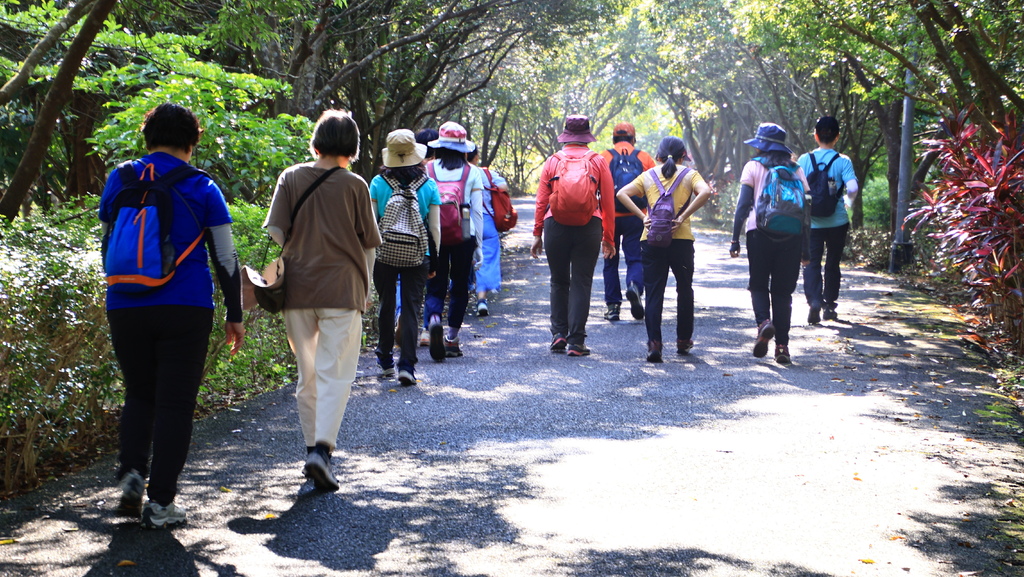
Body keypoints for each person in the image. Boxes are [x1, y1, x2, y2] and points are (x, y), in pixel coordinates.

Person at [100, 102, 245, 529]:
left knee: (139, 393)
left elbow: (107, 239)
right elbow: (225, 256)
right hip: (186, 305)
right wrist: (234, 314)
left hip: (124, 303)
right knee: (175, 404)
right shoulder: (202, 186)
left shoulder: (119, 177)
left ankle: (131, 473)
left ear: (148, 138)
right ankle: (161, 502)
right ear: (192, 142)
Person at [264, 110, 381, 491]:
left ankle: (311, 448)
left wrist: (299, 252)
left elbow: (278, 229)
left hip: (298, 288)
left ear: (316, 142)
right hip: (343, 289)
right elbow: (368, 245)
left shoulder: (291, 177)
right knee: (336, 373)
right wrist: (365, 290)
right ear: (352, 147)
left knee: (308, 373)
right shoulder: (356, 185)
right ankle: (322, 452)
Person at [616, 136, 713, 362]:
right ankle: (683, 340)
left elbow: (621, 193)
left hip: (651, 239)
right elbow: (706, 192)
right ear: (683, 156)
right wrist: (683, 217)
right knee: (684, 289)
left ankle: (654, 345)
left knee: (654, 291)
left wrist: (643, 217)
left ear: (658, 157)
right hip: (681, 241)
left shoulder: (648, 175)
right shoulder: (690, 174)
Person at [530, 114, 616, 356]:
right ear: (587, 135)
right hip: (589, 226)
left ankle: (559, 334)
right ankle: (576, 342)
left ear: (565, 133)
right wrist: (608, 237)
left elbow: (541, 201)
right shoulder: (598, 161)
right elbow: (608, 203)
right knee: (581, 281)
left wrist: (538, 233)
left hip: (555, 226)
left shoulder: (553, 161)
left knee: (558, 280)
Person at [729, 123, 810, 365]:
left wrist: (735, 238)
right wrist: (806, 249)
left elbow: (743, 206)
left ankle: (764, 323)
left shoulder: (753, 166)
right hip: (792, 235)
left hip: (759, 233)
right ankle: (782, 347)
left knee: (758, 285)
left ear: (761, 145)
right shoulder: (797, 169)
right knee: (783, 293)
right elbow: (807, 212)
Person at [369, 129, 441, 386]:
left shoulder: (378, 184)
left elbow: (372, 224)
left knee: (387, 303)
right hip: (417, 253)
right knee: (411, 307)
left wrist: (370, 258)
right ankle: (407, 366)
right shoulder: (429, 185)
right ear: (417, 155)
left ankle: (386, 359)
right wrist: (433, 259)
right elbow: (434, 229)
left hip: (384, 252)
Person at [422, 122, 484, 360]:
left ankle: (434, 318)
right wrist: (477, 246)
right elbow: (477, 212)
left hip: (433, 236)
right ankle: (452, 338)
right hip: (463, 234)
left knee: (434, 285)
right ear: (464, 148)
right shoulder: (472, 173)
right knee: (459, 285)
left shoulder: (428, 171)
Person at [797, 116, 860, 324]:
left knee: (811, 263)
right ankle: (830, 306)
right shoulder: (843, 161)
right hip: (837, 222)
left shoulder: (804, 160)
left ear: (816, 136)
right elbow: (852, 188)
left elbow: (796, 189)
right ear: (837, 136)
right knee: (832, 263)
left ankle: (814, 301)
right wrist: (847, 202)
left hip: (811, 222)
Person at [600, 122, 655, 322]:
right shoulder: (644, 158)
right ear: (633, 138)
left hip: (609, 217)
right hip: (636, 216)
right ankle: (634, 286)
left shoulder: (603, 157)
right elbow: (656, 188)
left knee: (610, 260)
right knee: (635, 258)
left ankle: (613, 307)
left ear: (614, 138)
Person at [468, 144, 508, 317]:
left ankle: (462, 291)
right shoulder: (486, 173)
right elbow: (503, 187)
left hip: (463, 222)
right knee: (488, 258)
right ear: (476, 156)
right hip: (486, 222)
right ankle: (481, 300)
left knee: (462, 256)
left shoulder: (456, 174)